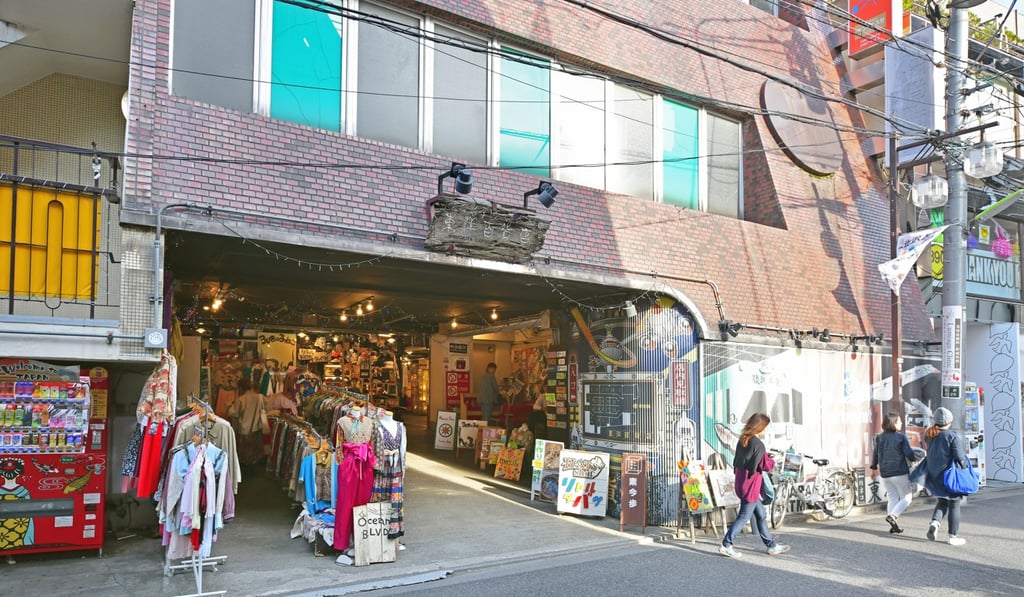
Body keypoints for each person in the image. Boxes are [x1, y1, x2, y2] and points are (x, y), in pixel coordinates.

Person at [719, 413, 790, 558]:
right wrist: (772, 460)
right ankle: (726, 544)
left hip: (741, 483)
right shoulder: (758, 444)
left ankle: (771, 545)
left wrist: (765, 457)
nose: (766, 430)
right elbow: (765, 465)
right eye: (765, 427)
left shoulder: (743, 440)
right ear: (759, 427)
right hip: (751, 487)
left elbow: (750, 459)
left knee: (761, 515)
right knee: (744, 517)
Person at [922, 407, 969, 546]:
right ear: (949, 421)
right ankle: (953, 536)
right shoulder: (951, 436)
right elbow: (960, 458)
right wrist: (965, 468)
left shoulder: (929, 434)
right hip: (949, 476)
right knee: (954, 503)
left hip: (934, 476)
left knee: (942, 501)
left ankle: (935, 524)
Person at [870, 412, 920, 534]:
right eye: (899, 421)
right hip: (899, 471)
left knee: (892, 498)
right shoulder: (901, 437)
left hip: (885, 473)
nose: (901, 423)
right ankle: (893, 516)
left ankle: (893, 525)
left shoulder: (879, 437)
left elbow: (876, 454)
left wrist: (873, 467)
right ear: (894, 423)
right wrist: (916, 459)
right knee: (907, 497)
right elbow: (908, 453)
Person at [228, 377, 268, 470]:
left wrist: (229, 406)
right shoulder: (260, 397)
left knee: (245, 452)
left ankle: (246, 470)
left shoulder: (241, 399)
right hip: (257, 428)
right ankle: (254, 468)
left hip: (245, 429)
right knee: (255, 451)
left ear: (241, 388)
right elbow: (267, 406)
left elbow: (234, 413)